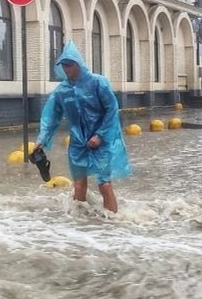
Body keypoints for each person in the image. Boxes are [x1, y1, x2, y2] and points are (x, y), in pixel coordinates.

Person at [34, 42, 131, 213]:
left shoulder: (97, 83)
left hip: (101, 141)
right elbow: (51, 117)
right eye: (64, 66)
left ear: (78, 64)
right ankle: (80, 225)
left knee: (104, 183)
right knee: (79, 183)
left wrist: (100, 135)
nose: (67, 69)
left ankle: (114, 223)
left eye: (70, 65)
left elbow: (111, 109)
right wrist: (42, 139)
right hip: (77, 142)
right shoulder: (62, 90)